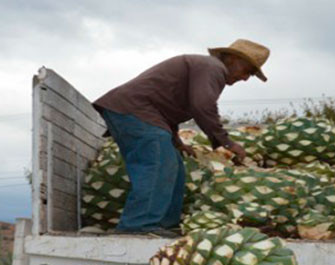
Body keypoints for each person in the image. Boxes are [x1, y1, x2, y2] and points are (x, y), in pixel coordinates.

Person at [93, 39, 269, 237]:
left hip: (139, 113)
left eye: (251, 75)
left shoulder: (205, 68)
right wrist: (226, 142)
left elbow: (167, 108)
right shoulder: (213, 68)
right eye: (247, 70)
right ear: (232, 59)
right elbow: (202, 106)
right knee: (158, 164)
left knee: (174, 166)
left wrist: (177, 142)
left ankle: (165, 225)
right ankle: (137, 227)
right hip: (134, 111)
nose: (245, 78)